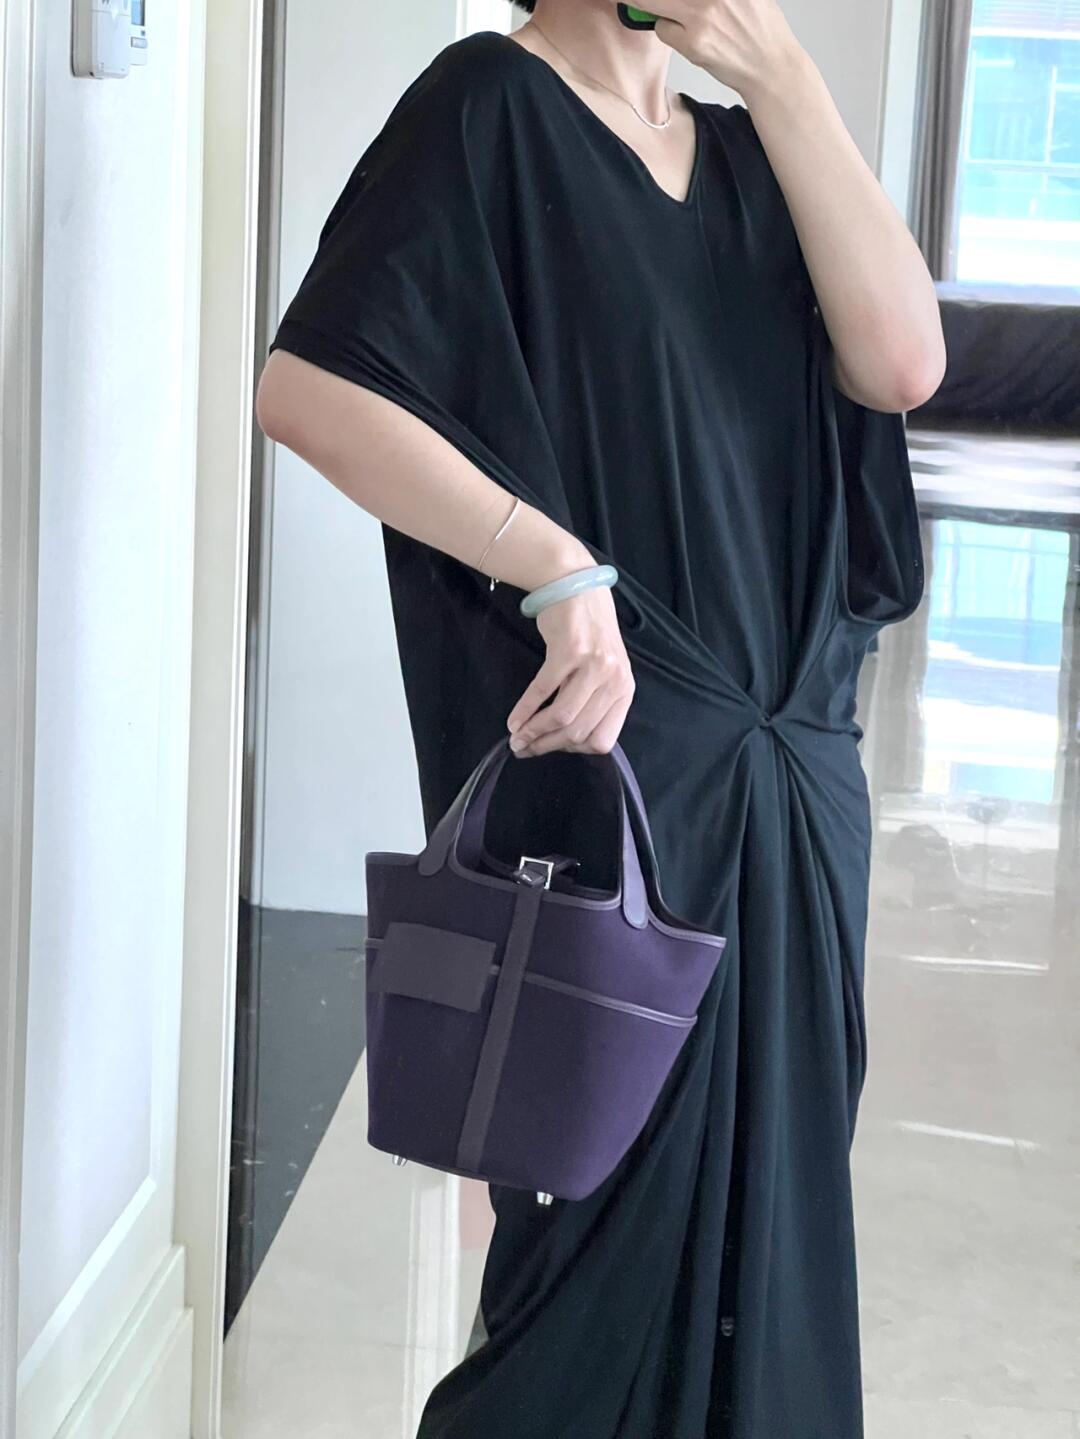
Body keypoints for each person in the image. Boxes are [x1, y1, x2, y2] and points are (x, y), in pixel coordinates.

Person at [255, 1, 945, 1434]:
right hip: (618, 773)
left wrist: (784, 75)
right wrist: (553, 564)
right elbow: (309, 389)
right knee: (589, 1259)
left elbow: (901, 366)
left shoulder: (757, 150)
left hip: (788, 783)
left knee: (781, 1239)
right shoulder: (487, 106)